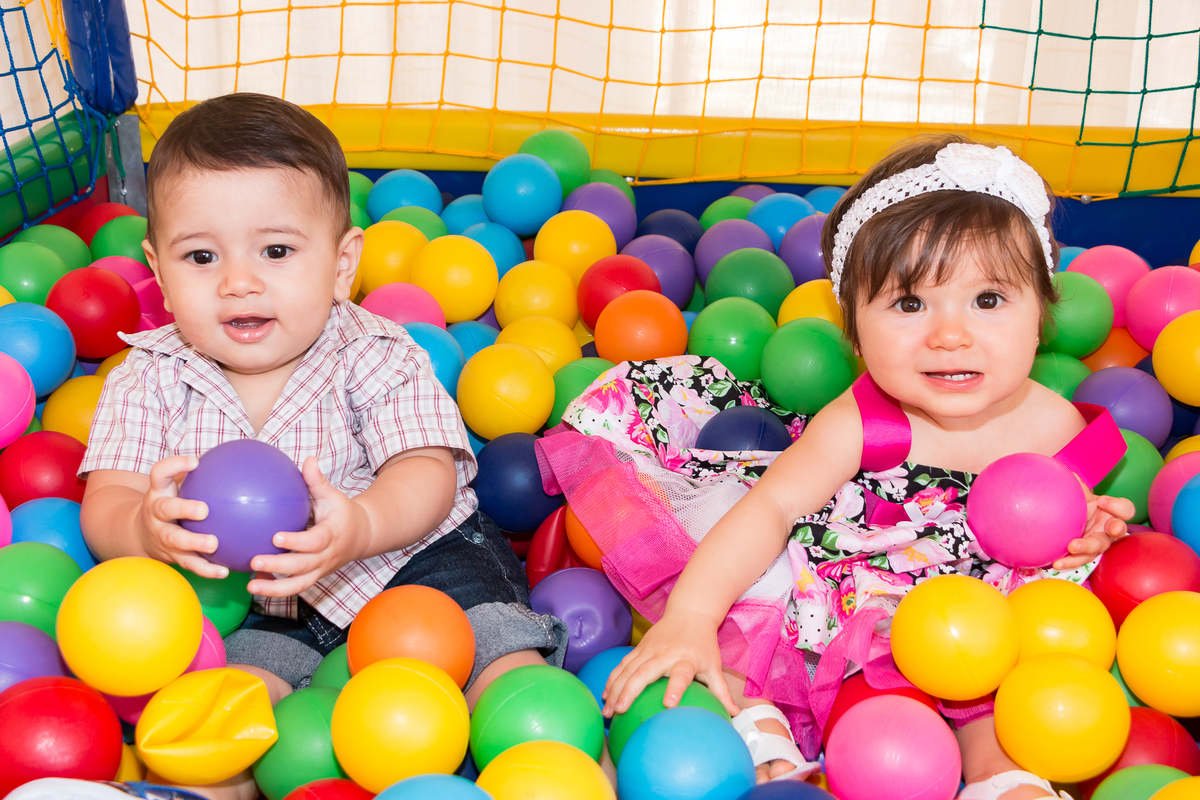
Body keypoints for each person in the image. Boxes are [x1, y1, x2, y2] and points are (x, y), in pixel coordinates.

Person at [536, 135, 1132, 799]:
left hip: (979, 621)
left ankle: (1004, 777)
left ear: (1042, 312)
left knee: (993, 704)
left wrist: (1092, 529)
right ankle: (758, 718)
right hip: (847, 596)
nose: (950, 335)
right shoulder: (862, 421)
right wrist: (691, 617)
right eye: (910, 304)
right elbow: (771, 508)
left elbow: (1068, 532)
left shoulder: (1059, 428)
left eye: (988, 300)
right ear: (854, 330)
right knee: (769, 638)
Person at [78, 93, 565, 799]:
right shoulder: (145, 376)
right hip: (256, 598)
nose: (238, 282)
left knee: (501, 668)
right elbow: (108, 501)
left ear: (342, 264)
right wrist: (145, 530)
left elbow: (425, 471)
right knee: (226, 713)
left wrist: (362, 524)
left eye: (276, 251)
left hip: (417, 562)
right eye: (201, 256)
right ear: (158, 269)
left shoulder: (377, 352)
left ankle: (554, 768)